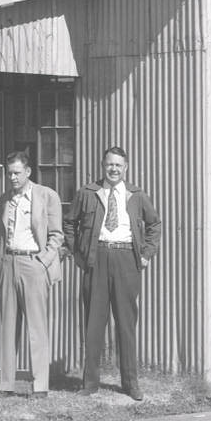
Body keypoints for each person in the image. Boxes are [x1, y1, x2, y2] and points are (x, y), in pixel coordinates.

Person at [66, 146, 160, 399]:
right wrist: (78, 254)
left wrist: (146, 254)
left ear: (125, 168)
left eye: (118, 165)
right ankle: (90, 383)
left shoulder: (136, 195)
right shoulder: (88, 193)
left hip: (126, 258)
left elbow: (154, 224)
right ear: (102, 165)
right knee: (94, 323)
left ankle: (131, 383)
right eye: (110, 164)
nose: (114, 169)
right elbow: (69, 223)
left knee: (126, 324)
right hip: (96, 258)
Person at [0, 151, 63, 398]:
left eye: (17, 173)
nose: (12, 177)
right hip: (9, 261)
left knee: (37, 327)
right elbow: (2, 237)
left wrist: (43, 261)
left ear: (28, 172)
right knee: (8, 327)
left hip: (33, 263)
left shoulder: (46, 195)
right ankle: (6, 384)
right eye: (9, 173)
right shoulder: (4, 199)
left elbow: (57, 234)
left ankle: (40, 385)